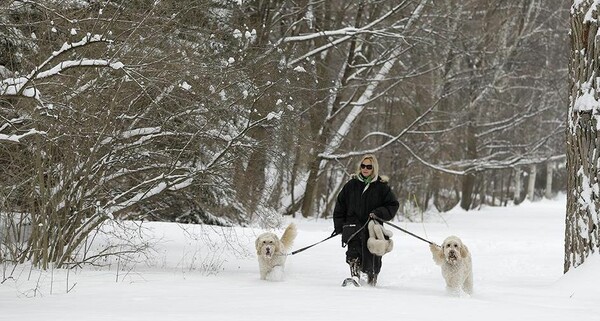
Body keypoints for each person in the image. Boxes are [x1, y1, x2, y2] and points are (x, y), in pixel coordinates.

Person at [332, 154, 399, 286]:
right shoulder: (351, 185)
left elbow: (393, 205)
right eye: (363, 166)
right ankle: (355, 277)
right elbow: (340, 206)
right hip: (353, 227)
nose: (365, 169)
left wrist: (378, 212)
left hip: (372, 228)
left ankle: (371, 279)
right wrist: (339, 226)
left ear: (374, 168)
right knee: (353, 253)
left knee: (372, 257)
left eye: (369, 166)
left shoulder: (381, 187)